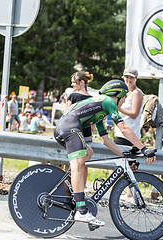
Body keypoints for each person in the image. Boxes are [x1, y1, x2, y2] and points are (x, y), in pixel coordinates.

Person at [53, 79, 156, 226]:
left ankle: (71, 193)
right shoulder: (108, 102)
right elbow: (124, 128)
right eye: (125, 96)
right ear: (118, 94)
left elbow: (106, 140)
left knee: (88, 153)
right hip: (70, 127)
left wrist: (124, 155)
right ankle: (81, 211)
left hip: (64, 128)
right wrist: (144, 149)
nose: (125, 99)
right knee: (78, 165)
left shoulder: (99, 109)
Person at [114, 68, 143, 147]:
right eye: (127, 77)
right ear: (123, 78)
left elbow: (134, 114)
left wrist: (118, 108)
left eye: (131, 78)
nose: (129, 80)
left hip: (129, 134)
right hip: (120, 132)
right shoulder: (122, 92)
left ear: (136, 79)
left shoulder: (137, 93)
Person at [65, 71, 94, 142]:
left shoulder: (73, 96)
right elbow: (92, 126)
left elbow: (65, 115)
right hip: (87, 135)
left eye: (74, 82)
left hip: (74, 134)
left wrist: (66, 102)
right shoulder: (92, 99)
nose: (72, 84)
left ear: (82, 82)